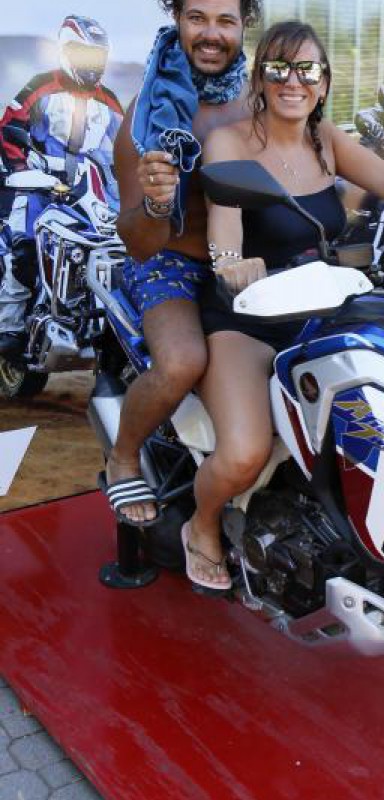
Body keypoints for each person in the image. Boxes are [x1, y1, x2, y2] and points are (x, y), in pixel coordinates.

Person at [185, 20, 384, 590]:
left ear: (324, 83)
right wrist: (231, 263)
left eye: (306, 70)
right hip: (249, 317)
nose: (293, 81)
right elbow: (225, 228)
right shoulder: (230, 143)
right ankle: (201, 524)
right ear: (260, 78)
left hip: (323, 312)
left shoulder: (324, 140)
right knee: (244, 453)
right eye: (278, 68)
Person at [102, 0, 261, 526]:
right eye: (197, 18)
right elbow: (138, 243)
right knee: (181, 363)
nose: (211, 33)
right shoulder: (145, 118)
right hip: (170, 260)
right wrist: (155, 203)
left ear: (245, 24)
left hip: (248, 262)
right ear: (177, 19)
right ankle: (124, 454)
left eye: (225, 20)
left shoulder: (264, 101)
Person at [0, 15, 122, 356]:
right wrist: (21, 170)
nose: (91, 63)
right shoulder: (41, 85)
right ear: (66, 51)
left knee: (115, 250)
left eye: (97, 56)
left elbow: (127, 149)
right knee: (24, 247)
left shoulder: (110, 101)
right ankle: (9, 328)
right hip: (39, 187)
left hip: (91, 192)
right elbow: (8, 128)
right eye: (84, 54)